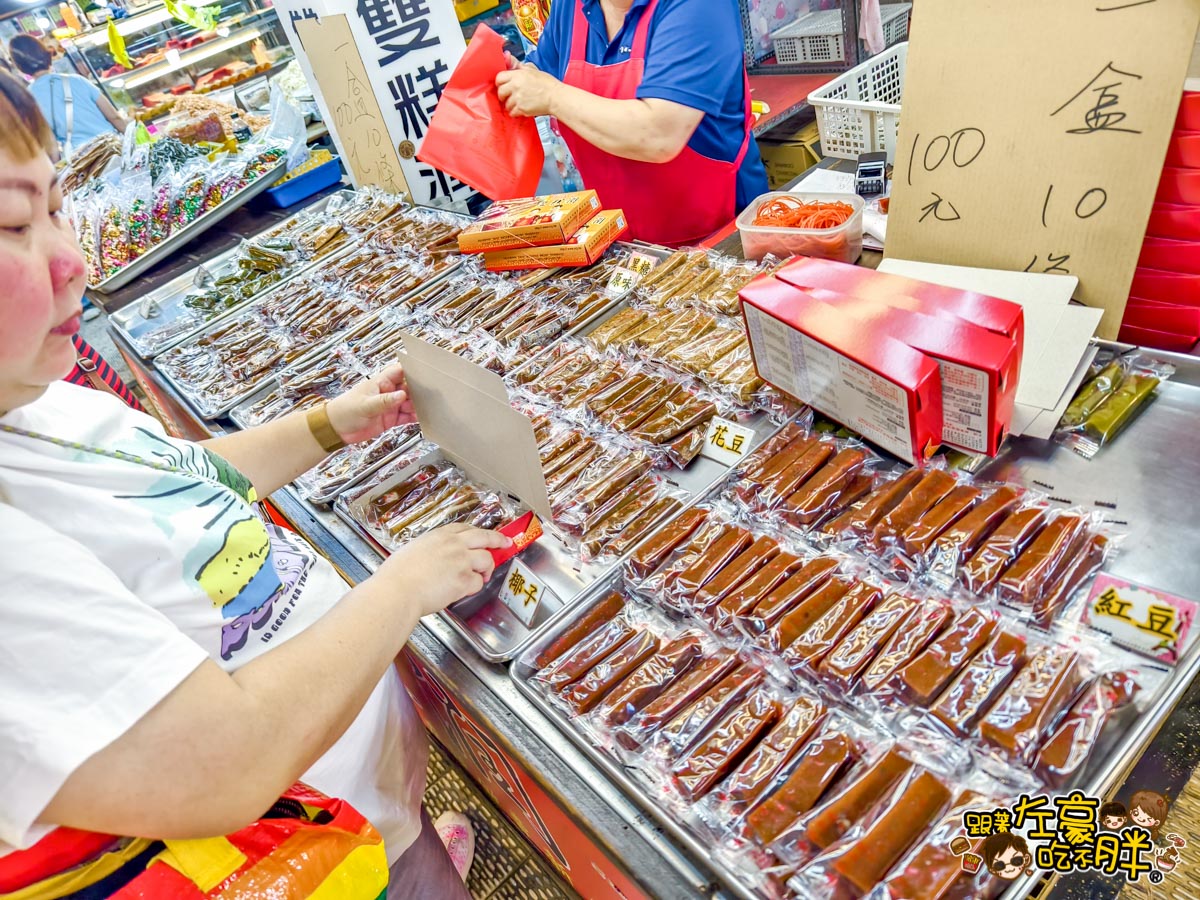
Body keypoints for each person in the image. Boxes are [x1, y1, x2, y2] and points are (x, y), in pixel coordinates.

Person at [0, 70, 503, 897]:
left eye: (56, 208)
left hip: (363, 801)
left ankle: (418, 848)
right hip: (295, 861)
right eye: (15, 224)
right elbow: (222, 763)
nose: (71, 261)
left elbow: (178, 488)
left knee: (415, 860)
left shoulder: (36, 398)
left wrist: (334, 424)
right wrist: (400, 588)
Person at [496, 0, 769, 247]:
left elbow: (659, 134)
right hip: (625, 243)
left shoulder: (699, 7)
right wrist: (514, 78)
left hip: (722, 238)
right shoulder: (570, 7)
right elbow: (543, 70)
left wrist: (551, 96)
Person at [8, 34, 127, 160]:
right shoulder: (77, 80)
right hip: (113, 147)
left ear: (20, 67)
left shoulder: (28, 99)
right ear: (46, 54)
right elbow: (114, 117)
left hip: (83, 160)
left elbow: (51, 145)